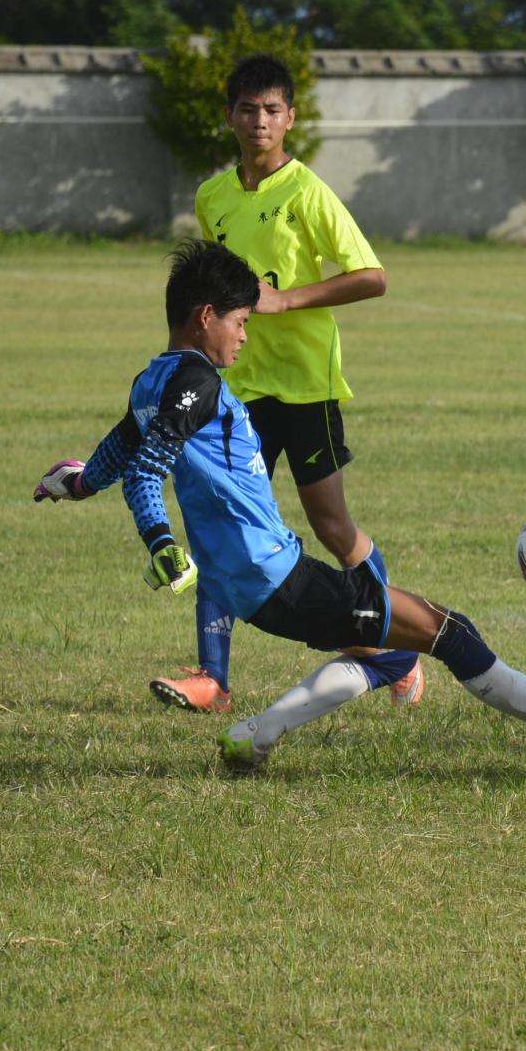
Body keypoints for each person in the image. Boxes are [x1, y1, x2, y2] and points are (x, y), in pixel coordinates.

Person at [33, 240, 526, 768]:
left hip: (249, 583)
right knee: (449, 630)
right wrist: (160, 543)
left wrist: (75, 484)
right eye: (239, 320)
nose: (244, 334)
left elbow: (115, 457)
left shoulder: (151, 380)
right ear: (206, 316)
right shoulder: (198, 383)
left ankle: (255, 735)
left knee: (388, 656)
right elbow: (145, 470)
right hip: (277, 576)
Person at [149, 53, 419, 717]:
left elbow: (372, 275)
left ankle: (394, 650)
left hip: (305, 386)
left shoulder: (307, 192)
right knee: (215, 521)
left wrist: (286, 301)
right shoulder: (213, 197)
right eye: (248, 109)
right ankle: (214, 679)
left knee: (331, 526)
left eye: (272, 110)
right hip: (235, 388)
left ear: (291, 118)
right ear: (230, 117)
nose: (259, 121)